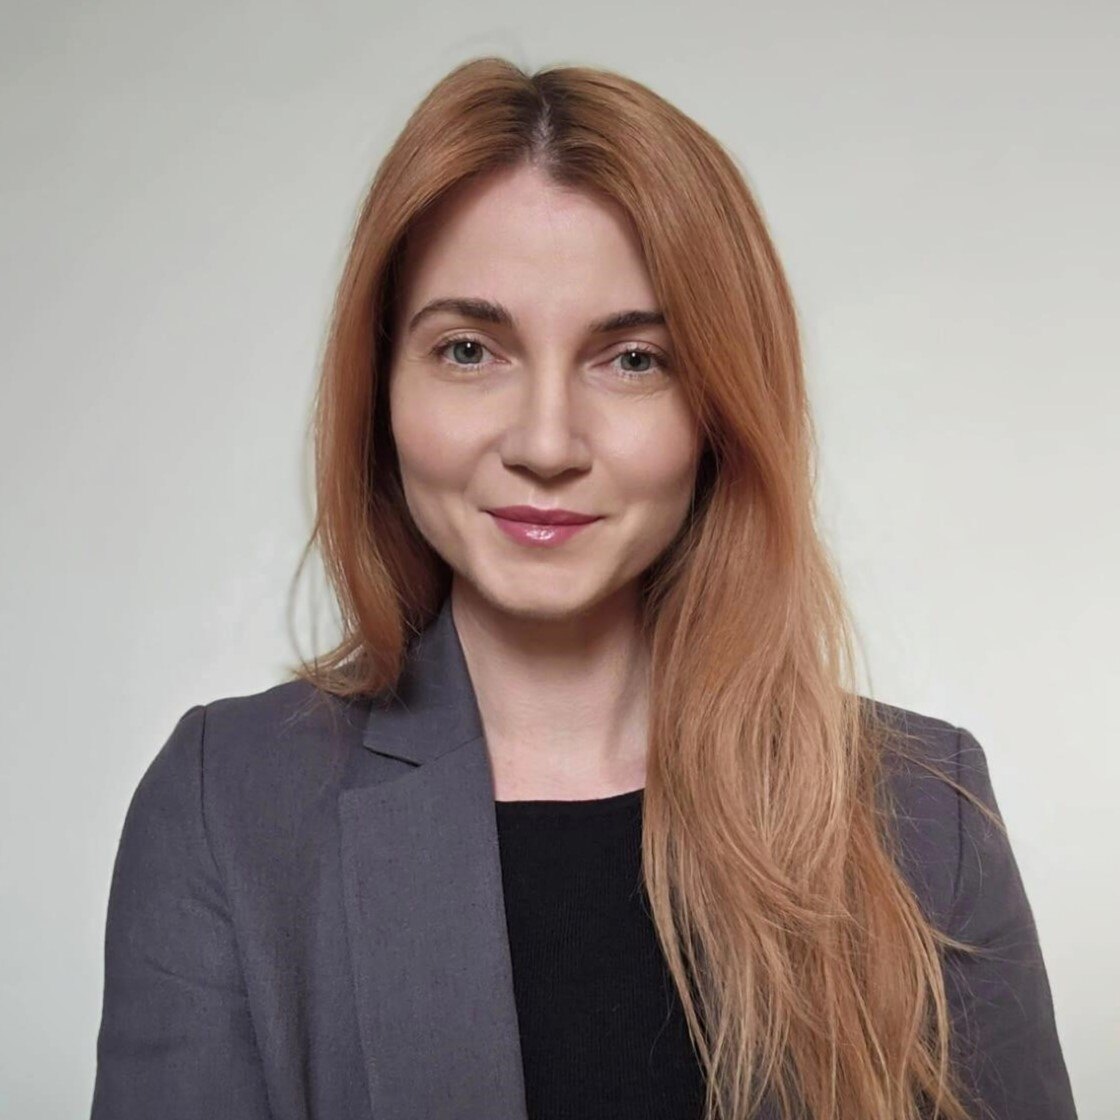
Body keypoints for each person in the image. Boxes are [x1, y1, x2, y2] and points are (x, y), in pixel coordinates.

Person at [90, 57, 1078, 1120]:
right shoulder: (229, 808)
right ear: (381, 386)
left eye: (633, 359)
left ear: (721, 405)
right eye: (469, 349)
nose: (547, 443)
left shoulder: (926, 817)